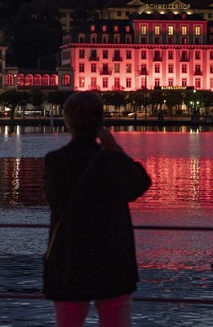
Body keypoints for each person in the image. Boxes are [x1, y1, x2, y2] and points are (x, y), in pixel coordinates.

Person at [43, 91, 151, 327]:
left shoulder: (54, 161)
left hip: (69, 260)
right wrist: (115, 148)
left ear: (67, 121)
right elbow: (141, 182)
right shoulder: (112, 162)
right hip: (113, 261)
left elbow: (52, 198)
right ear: (101, 122)